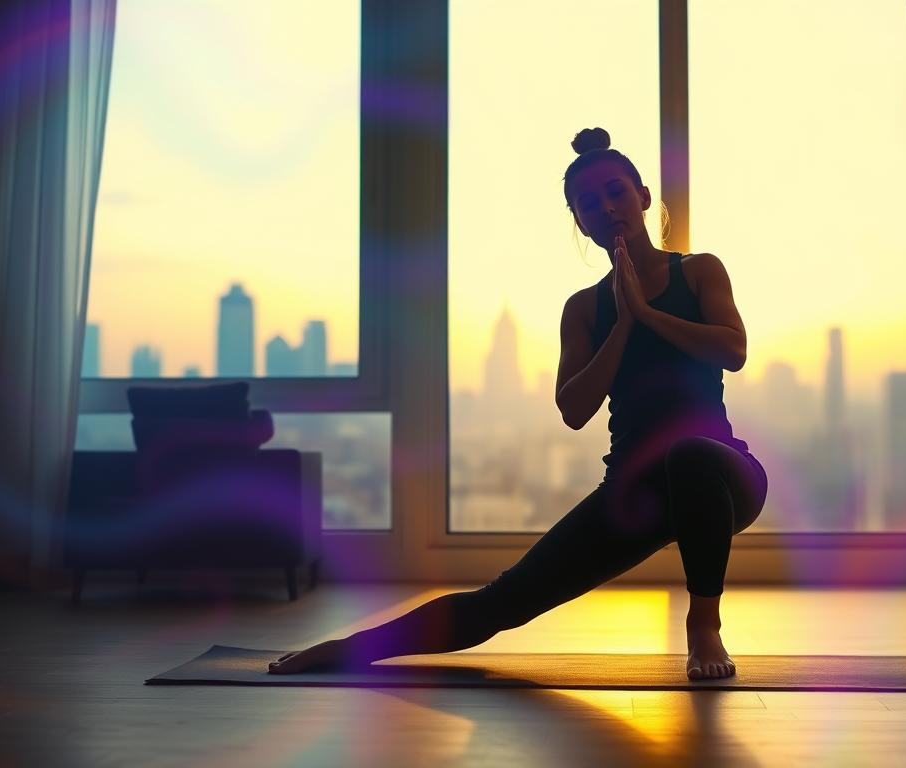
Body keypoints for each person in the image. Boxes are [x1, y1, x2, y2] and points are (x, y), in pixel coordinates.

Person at [269, 127, 768, 681]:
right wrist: (624, 323)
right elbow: (574, 408)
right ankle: (347, 649)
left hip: (722, 476)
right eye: (588, 203)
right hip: (634, 491)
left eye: (616, 192)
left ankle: (704, 626)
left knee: (688, 455)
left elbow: (734, 349)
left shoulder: (698, 271)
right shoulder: (583, 309)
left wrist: (649, 315)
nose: (606, 207)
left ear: (644, 197)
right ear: (579, 222)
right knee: (500, 603)